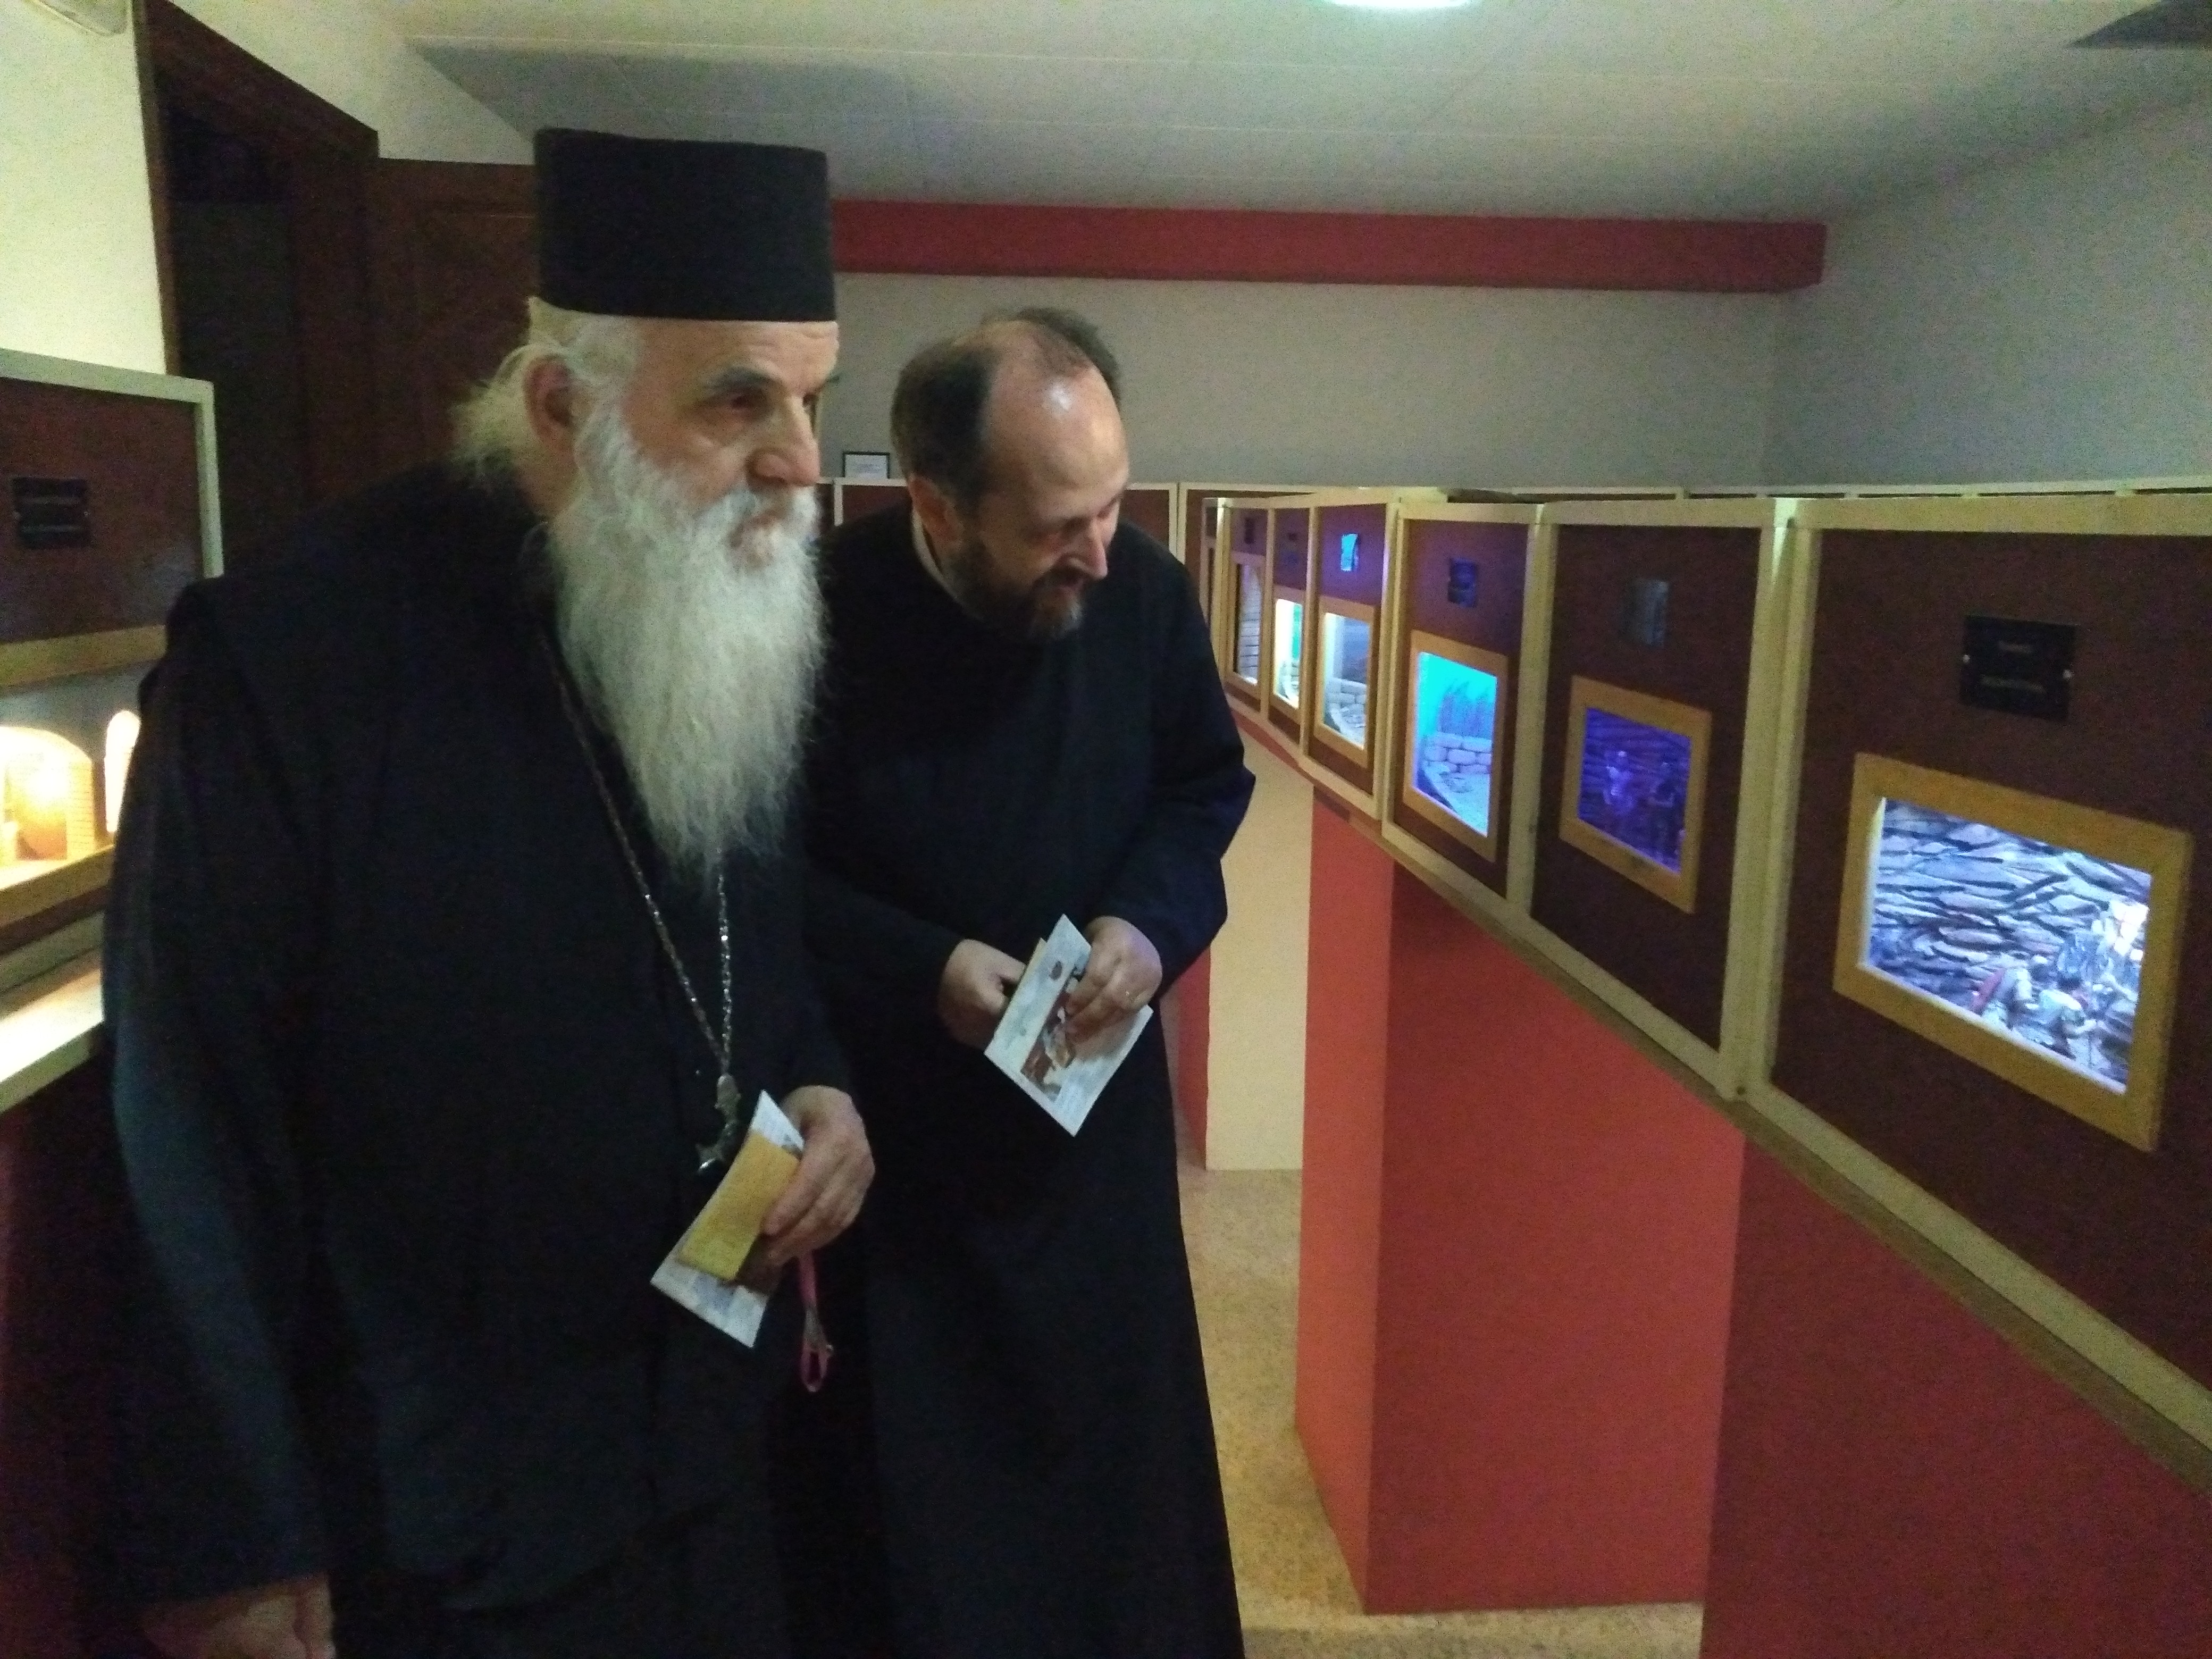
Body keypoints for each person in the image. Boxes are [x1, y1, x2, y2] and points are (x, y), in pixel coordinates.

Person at [106, 129, 872, 1659]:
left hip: (703, 1461)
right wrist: (233, 1538)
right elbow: (187, 1117)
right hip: (445, 1513)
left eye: (813, 397)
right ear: (560, 403)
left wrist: (821, 1087)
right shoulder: (291, 658)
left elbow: (751, 942)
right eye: (737, 401)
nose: (798, 457)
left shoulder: (717, 601)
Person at [784, 311, 1254, 1658]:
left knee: (1116, 1491)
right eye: (1057, 526)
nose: (1098, 554)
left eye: (1112, 506)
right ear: (937, 504)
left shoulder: (1142, 592)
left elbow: (1200, 791)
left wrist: (1145, 931)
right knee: (918, 1521)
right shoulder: (813, 614)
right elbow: (750, 875)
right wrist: (918, 967)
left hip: (1088, 1136)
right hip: (899, 1148)